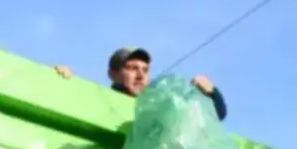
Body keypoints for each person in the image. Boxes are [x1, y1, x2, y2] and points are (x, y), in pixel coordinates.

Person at [54, 46, 228, 120]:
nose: (140, 75)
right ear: (113, 74)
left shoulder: (156, 108)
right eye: (132, 68)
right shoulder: (100, 102)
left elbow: (215, 115)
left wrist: (211, 91)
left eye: (145, 70)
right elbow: (65, 102)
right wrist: (62, 80)